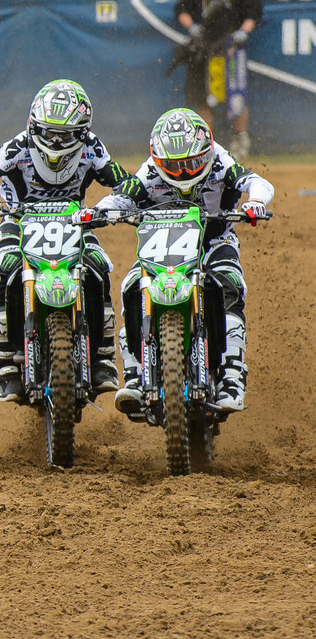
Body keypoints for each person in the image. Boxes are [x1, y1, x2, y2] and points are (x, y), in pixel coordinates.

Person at [94, 107, 274, 415]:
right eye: (173, 166)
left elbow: (257, 182)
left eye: (191, 163)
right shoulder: (150, 170)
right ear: (158, 158)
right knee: (131, 287)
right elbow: (124, 193)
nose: (183, 173)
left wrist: (255, 203)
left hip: (213, 243)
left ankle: (232, 377)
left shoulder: (221, 160)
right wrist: (101, 209)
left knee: (230, 285)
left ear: (205, 151)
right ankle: (137, 375)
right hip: (163, 247)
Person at [0, 80, 142, 403]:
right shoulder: (17, 147)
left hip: (73, 221)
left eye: (65, 134)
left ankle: (102, 356)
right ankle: (4, 360)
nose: (55, 141)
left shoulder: (92, 148)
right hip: (19, 219)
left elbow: (122, 180)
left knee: (98, 265)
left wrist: (135, 202)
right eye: (49, 132)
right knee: (5, 263)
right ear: (33, 125)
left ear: (82, 132)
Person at [172, 0, 261, 152]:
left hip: (231, 48)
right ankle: (206, 146)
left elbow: (254, 10)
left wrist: (243, 32)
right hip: (203, 48)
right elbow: (181, 8)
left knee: (236, 95)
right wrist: (191, 27)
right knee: (202, 97)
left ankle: (240, 141)